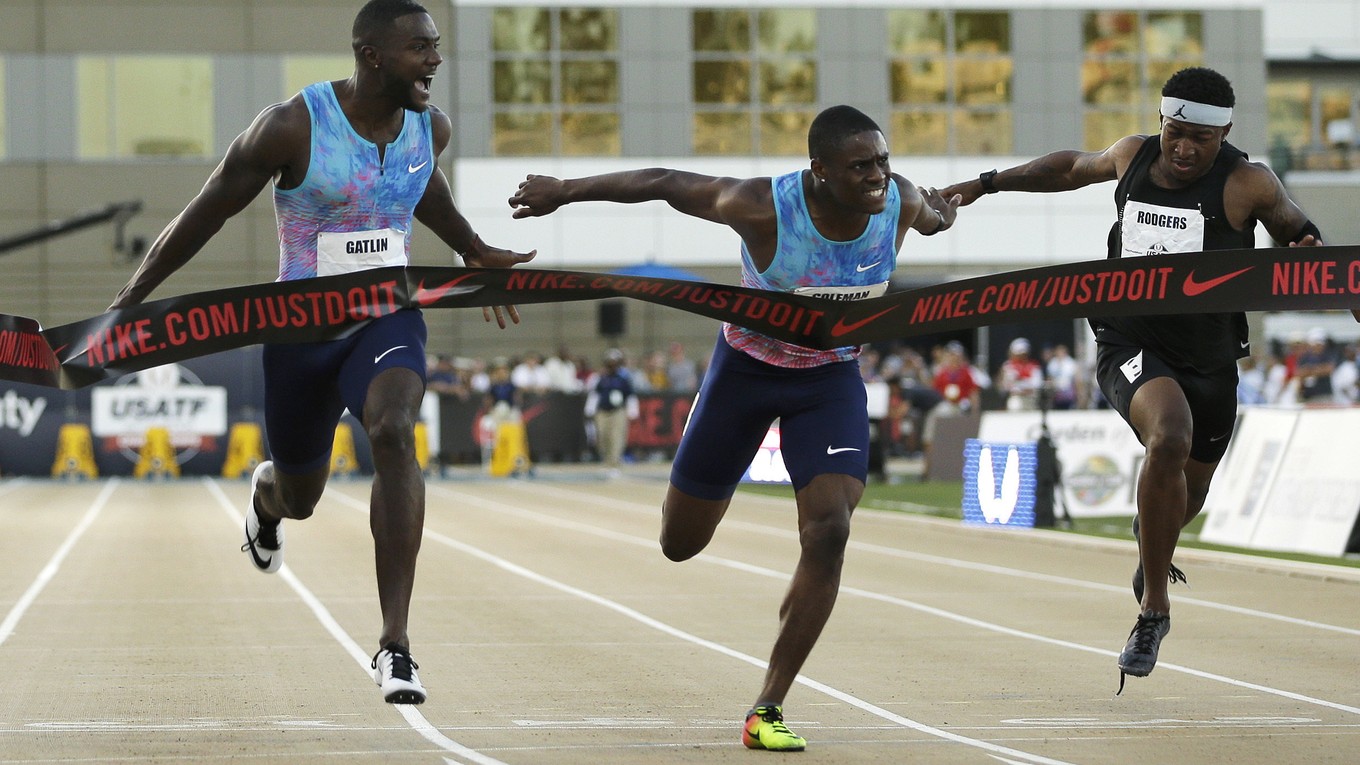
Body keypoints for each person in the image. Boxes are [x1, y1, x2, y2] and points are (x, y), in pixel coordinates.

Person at [107, 0, 535, 704]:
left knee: (394, 431)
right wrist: (129, 302)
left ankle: (395, 645)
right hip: (300, 331)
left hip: (386, 319)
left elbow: (418, 180)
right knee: (301, 495)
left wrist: (470, 247)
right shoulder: (292, 127)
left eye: (436, 45)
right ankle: (268, 499)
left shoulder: (433, 126)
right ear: (371, 55)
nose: (434, 59)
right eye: (419, 48)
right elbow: (206, 213)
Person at [509, 104, 959, 751]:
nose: (878, 177)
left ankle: (768, 704)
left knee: (829, 529)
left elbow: (935, 214)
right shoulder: (761, 207)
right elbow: (664, 181)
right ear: (821, 172)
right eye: (861, 166)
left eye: (884, 161)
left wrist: (951, 206)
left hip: (828, 381)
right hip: (745, 373)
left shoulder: (900, 202)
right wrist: (565, 193)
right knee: (679, 542)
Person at [940, 66, 1326, 691]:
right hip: (1129, 341)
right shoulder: (1132, 158)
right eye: (1175, 132)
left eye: (1200, 140)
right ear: (1162, 122)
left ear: (1223, 133)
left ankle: (1153, 540)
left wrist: (1317, 259)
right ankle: (1153, 611)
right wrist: (987, 184)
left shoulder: (1248, 183)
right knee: (1168, 436)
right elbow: (1067, 169)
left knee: (1185, 499)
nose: (1183, 149)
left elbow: (1298, 234)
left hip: (1210, 359)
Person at [584, 348, 638, 474]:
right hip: (602, 411)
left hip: (617, 411)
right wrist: (590, 409)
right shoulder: (601, 378)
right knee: (602, 436)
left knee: (616, 437)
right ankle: (607, 461)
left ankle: (614, 463)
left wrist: (633, 411)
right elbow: (595, 394)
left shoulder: (623, 378)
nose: (612, 364)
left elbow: (630, 395)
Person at [997, 337, 1044, 411]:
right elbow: (1005, 386)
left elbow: (1036, 386)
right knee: (1014, 405)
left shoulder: (1034, 366)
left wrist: (1021, 385)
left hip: (1030, 399)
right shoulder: (1008, 366)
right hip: (1015, 399)